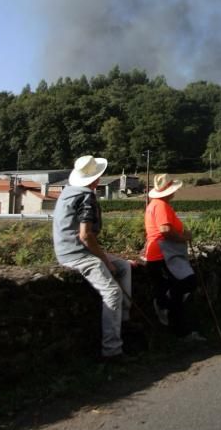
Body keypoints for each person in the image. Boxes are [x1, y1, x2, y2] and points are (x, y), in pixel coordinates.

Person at [53, 155, 137, 361]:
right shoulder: (86, 197)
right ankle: (112, 350)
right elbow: (86, 236)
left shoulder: (68, 193)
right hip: (77, 254)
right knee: (112, 293)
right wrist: (106, 262)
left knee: (124, 266)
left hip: (66, 249)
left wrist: (110, 260)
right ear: (96, 179)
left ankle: (123, 320)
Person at [144, 173, 205, 343]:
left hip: (157, 254)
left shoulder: (154, 205)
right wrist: (184, 237)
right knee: (188, 282)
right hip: (164, 254)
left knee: (179, 289)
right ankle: (165, 305)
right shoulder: (162, 205)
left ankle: (178, 328)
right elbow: (164, 230)